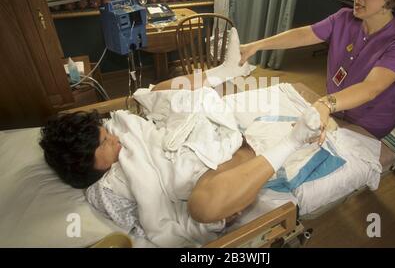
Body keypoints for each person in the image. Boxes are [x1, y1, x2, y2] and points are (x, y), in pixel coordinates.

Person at [39, 79, 321, 233]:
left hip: (195, 145)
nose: (113, 137)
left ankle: (222, 72)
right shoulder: (105, 191)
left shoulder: (117, 129)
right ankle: (292, 141)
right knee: (201, 207)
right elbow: (150, 221)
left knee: (153, 94)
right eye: (105, 143)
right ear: (87, 164)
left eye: (106, 133)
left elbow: (146, 120)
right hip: (208, 174)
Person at [239, 0, 395, 142]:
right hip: (337, 107)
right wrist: (255, 46)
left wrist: (326, 103)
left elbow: (371, 88)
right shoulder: (344, 18)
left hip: (369, 122)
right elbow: (303, 35)